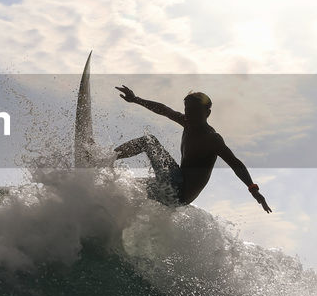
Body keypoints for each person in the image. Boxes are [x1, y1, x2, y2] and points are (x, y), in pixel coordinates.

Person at [113, 88, 272, 212]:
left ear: (207, 113)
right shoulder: (187, 122)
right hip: (173, 193)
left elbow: (235, 163)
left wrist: (253, 189)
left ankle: (106, 157)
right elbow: (164, 109)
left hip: (179, 190)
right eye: (187, 110)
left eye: (195, 111)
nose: (189, 114)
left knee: (149, 141)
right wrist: (135, 99)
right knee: (124, 187)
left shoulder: (212, 139)